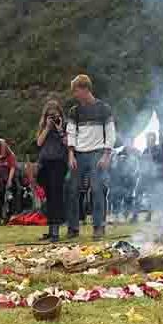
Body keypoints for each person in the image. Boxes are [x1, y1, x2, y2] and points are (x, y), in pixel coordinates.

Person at [66, 74, 116, 240]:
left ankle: (98, 226)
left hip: (97, 153)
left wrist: (106, 155)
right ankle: (73, 228)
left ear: (85, 89)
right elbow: (71, 133)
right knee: (71, 188)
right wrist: (71, 154)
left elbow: (110, 132)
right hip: (79, 154)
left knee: (97, 189)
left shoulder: (104, 109)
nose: (74, 95)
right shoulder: (74, 111)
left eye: (76, 91)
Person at [36, 100, 69, 242]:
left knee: (56, 196)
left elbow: (68, 143)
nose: (52, 118)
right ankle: (50, 229)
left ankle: (56, 230)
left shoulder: (64, 126)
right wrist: (47, 128)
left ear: (60, 114)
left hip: (59, 163)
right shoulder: (44, 126)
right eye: (49, 115)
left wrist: (60, 129)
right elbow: (39, 142)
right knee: (49, 197)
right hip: (45, 163)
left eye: (55, 115)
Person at [0, 138, 18, 225]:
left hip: (9, 179)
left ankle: (8, 216)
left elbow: (12, 168)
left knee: (9, 199)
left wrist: (9, 181)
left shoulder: (11, 156)